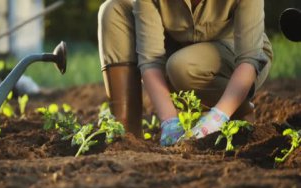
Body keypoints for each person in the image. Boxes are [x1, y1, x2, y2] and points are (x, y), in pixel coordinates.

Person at [98, 0, 273, 146]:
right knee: (114, 9)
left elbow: (249, 60)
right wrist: (170, 122)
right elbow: (151, 60)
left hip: (235, 57)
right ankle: (126, 134)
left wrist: (216, 118)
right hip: (179, 48)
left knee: (182, 66)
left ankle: (238, 110)